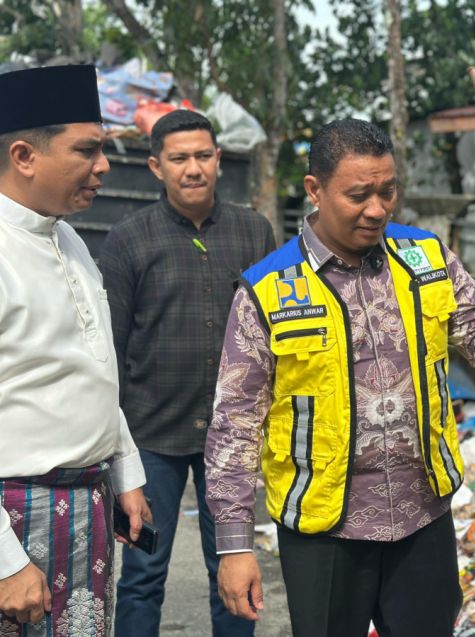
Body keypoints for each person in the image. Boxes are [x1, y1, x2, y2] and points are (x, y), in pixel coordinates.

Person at [205, 118, 475, 636]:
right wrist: (235, 546)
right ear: (315, 189)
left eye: (387, 190)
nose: (377, 208)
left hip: (423, 518)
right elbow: (235, 426)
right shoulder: (268, 291)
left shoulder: (426, 260)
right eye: (358, 194)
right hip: (325, 528)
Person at [99, 108, 276, 636]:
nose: (193, 168)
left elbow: (275, 333)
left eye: (203, 156)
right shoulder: (129, 239)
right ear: (157, 167)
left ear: (219, 160)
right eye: (179, 159)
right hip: (152, 436)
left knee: (234, 570)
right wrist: (118, 447)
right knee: (143, 572)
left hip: (234, 439)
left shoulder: (253, 231)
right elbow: (112, 345)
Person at [0, 64, 150, 636]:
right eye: (87, 150)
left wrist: (124, 469)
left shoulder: (70, 240)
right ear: (24, 156)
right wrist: (8, 563)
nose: (105, 166)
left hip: (85, 510)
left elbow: (92, 369)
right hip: (16, 521)